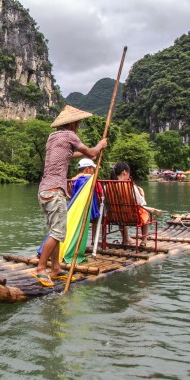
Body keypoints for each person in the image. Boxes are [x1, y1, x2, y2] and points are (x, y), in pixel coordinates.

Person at [35, 105, 108, 287]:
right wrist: (100, 145)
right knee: (58, 232)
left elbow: (68, 155)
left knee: (55, 230)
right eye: (79, 124)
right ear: (72, 123)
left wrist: (87, 151)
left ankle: (56, 268)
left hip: (44, 191)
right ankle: (41, 269)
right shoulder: (70, 135)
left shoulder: (53, 138)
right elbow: (91, 153)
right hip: (54, 192)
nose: (79, 127)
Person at [110, 161, 150, 246]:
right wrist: (142, 194)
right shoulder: (131, 186)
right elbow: (141, 203)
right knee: (146, 213)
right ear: (124, 172)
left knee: (120, 217)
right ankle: (144, 240)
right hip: (133, 217)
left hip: (115, 217)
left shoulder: (107, 186)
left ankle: (125, 239)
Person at [70, 158, 102, 245]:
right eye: (92, 169)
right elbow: (101, 194)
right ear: (87, 169)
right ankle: (95, 240)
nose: (93, 172)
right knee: (101, 211)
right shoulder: (92, 180)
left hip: (76, 212)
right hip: (90, 213)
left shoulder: (73, 180)